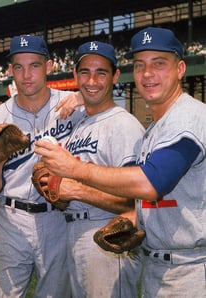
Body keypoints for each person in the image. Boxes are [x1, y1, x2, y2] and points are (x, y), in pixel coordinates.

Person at [35, 27, 206, 297]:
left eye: (159, 64)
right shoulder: (157, 128)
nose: (148, 74)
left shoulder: (190, 117)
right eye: (140, 65)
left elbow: (152, 182)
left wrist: (75, 171)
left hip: (191, 267)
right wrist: (135, 216)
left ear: (180, 69)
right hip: (158, 263)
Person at [0, 35, 84, 297]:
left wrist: (85, 98)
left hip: (59, 219)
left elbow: (107, 102)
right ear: (10, 70)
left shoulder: (73, 105)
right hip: (11, 220)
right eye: (19, 66)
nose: (26, 75)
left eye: (34, 65)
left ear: (49, 67)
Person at [57, 41, 144, 297]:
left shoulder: (123, 125)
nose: (91, 80)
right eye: (85, 72)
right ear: (75, 75)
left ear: (115, 76)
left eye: (101, 72)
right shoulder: (81, 125)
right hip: (74, 232)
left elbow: (135, 201)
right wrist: (58, 192)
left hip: (108, 236)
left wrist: (78, 191)